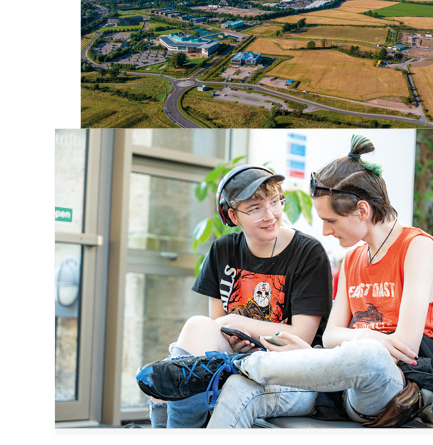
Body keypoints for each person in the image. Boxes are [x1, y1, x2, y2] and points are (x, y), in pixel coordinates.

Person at [137, 135, 433, 428]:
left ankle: (236, 364)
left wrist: (354, 340)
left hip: (402, 382)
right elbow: (331, 336)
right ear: (233, 216)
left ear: (362, 210)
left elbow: (403, 346)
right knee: (236, 381)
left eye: (330, 220)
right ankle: (227, 375)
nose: (325, 231)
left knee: (368, 355)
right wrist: (360, 338)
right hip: (339, 383)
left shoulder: (417, 247)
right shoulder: (353, 259)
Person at [142, 165, 333, 428]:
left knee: (177, 372)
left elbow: (300, 337)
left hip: (290, 369)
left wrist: (240, 324)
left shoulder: (308, 253)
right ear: (232, 215)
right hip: (234, 358)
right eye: (255, 208)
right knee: (192, 337)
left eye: (275, 202)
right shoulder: (223, 250)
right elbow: (217, 328)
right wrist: (235, 333)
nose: (271, 215)